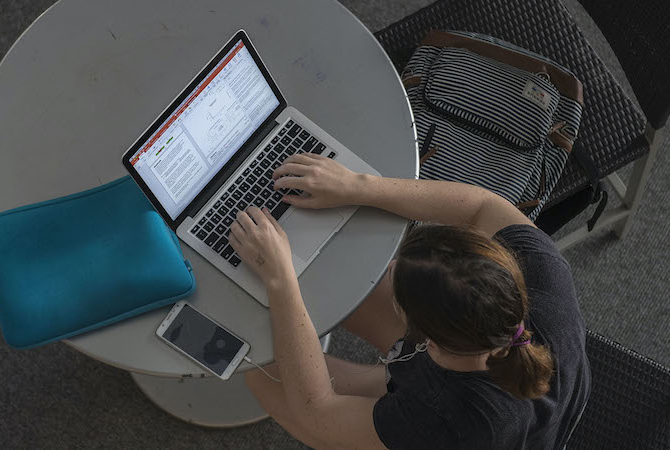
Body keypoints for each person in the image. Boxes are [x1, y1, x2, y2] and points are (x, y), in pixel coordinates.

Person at [229, 153, 591, 449]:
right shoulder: (542, 274)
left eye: (401, 291)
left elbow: (317, 412)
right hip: (483, 397)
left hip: (468, 437)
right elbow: (481, 206)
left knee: (261, 368)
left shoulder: (444, 419)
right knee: (334, 291)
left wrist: (280, 280)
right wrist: (358, 186)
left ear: (427, 341)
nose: (390, 267)